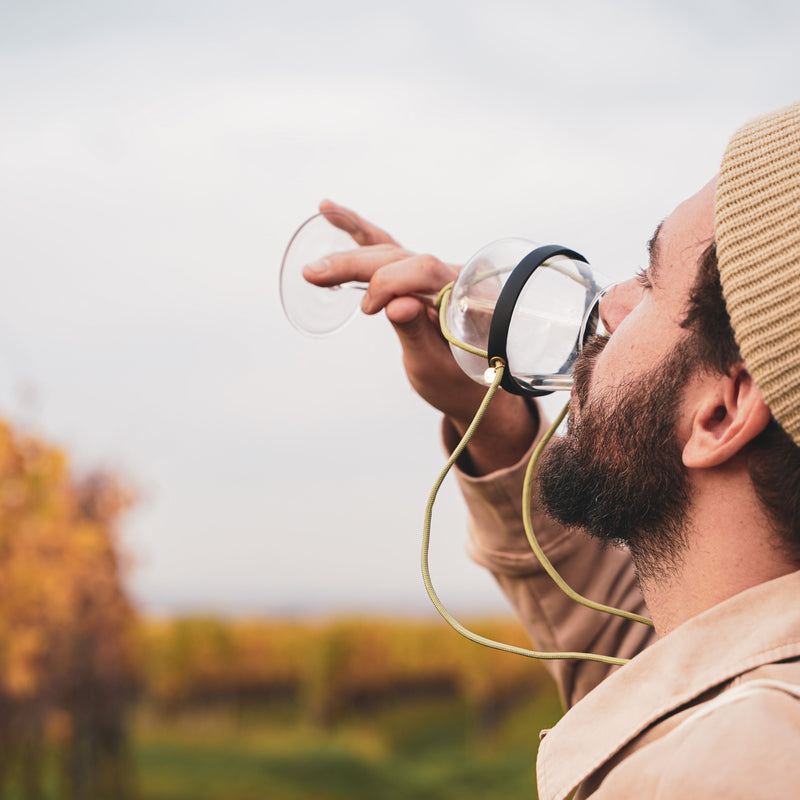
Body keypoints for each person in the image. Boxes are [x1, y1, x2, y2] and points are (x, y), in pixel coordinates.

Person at [304, 101, 800, 798]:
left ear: (720, 413)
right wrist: (500, 427)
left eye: (652, 282)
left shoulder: (744, 760)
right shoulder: (745, 702)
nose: (609, 306)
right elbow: (648, 672)